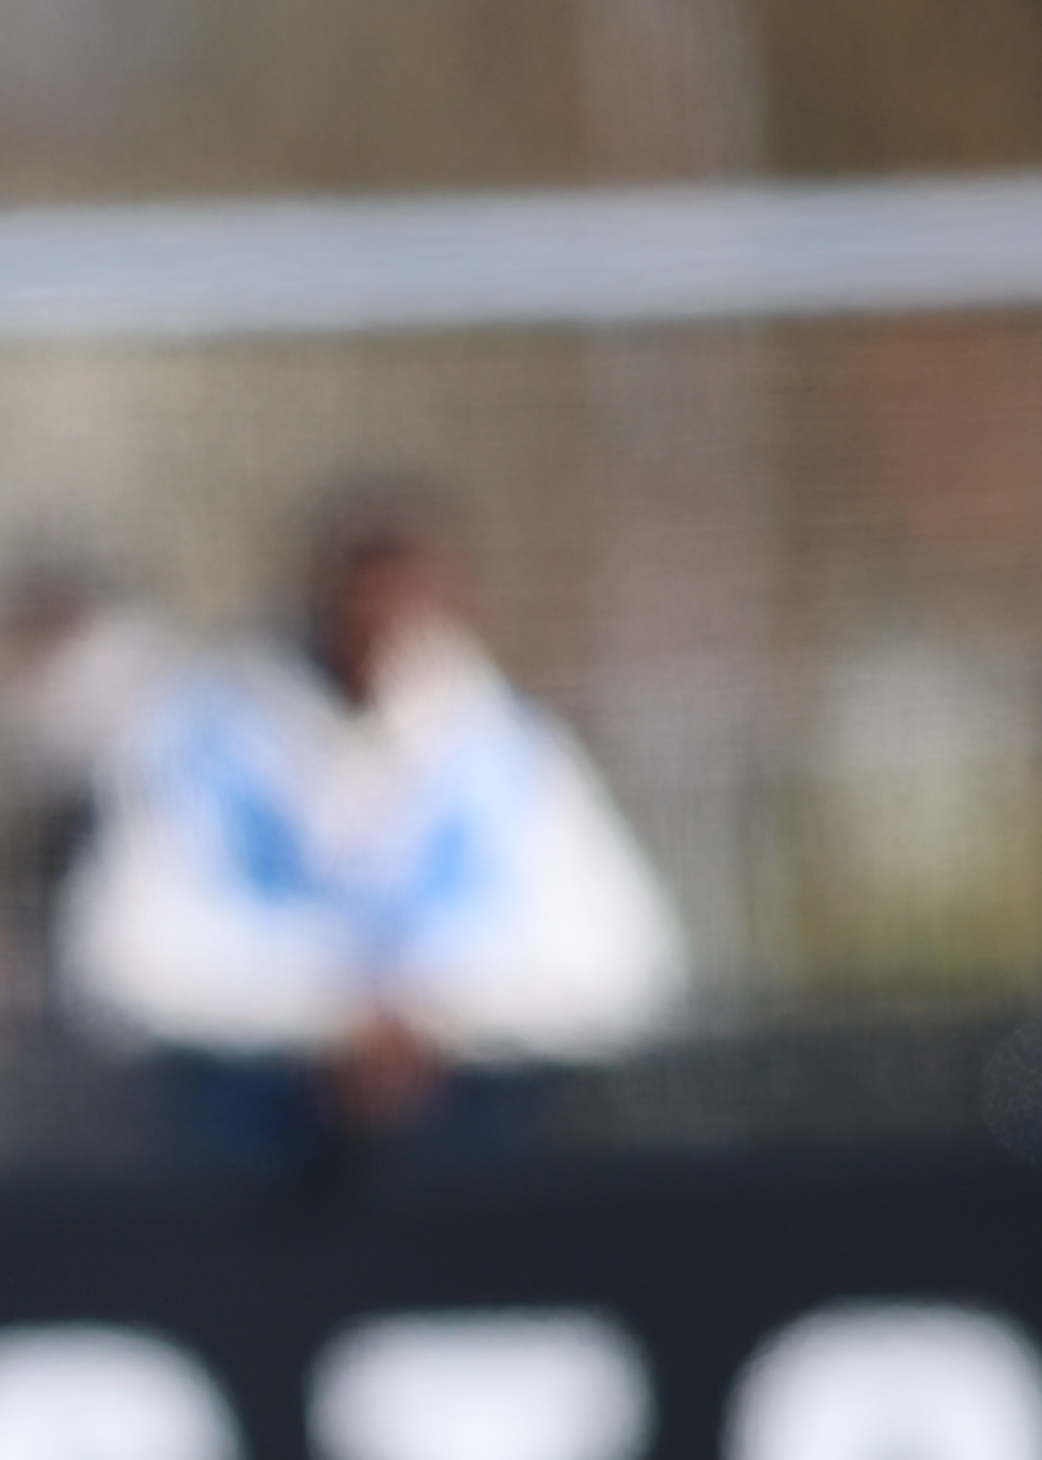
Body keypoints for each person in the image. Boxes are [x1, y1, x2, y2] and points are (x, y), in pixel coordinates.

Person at [47, 481, 687, 1158]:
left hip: (474, 1161)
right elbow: (118, 965)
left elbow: (625, 966)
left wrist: (435, 1016)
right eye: (364, 597)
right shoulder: (194, 744)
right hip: (241, 1164)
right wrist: (329, 1018)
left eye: (408, 599)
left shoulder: (512, 753)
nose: (384, 625)